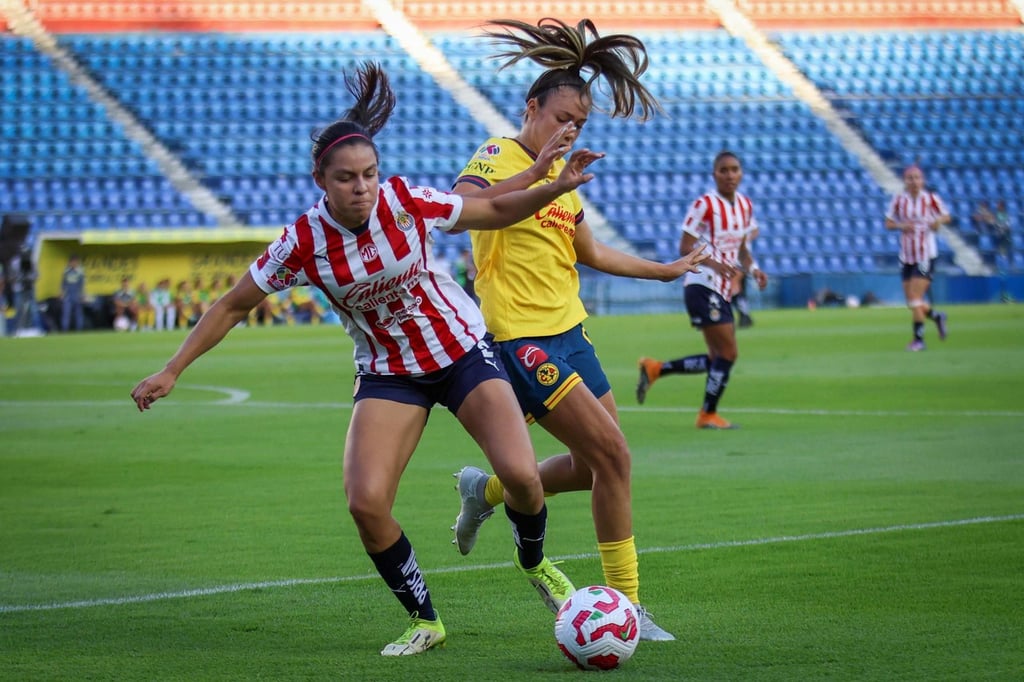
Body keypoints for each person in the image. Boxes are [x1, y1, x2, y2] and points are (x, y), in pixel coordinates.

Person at [130, 62, 604, 657]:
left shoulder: (405, 200)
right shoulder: (300, 243)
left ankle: (535, 565)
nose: (363, 187)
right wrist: (173, 369)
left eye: (370, 174)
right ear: (321, 181)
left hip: (460, 350)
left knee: (523, 477)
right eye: (348, 178)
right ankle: (425, 619)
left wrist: (549, 182)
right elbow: (231, 304)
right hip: (389, 372)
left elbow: (490, 211)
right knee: (366, 502)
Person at [447, 18, 708, 643]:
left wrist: (663, 271)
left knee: (596, 469)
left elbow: (588, 250)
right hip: (520, 338)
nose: (569, 131)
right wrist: (540, 173)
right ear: (531, 106)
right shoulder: (498, 155)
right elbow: (464, 207)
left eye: (580, 125)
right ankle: (627, 609)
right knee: (616, 454)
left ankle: (487, 490)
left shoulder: (563, 178)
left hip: (571, 332)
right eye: (562, 117)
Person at [637, 151, 769, 429]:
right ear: (715, 174)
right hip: (701, 285)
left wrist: (754, 269)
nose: (730, 175)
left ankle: (656, 369)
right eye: (724, 170)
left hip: (721, 290)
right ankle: (707, 414)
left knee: (716, 358)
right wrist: (714, 264)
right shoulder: (705, 204)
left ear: (741, 173)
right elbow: (685, 247)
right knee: (729, 353)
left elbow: (742, 249)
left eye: (735, 169)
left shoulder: (745, 205)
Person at [884, 164, 950, 351]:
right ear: (905, 181)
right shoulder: (898, 200)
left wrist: (937, 221)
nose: (914, 181)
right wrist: (901, 226)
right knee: (912, 302)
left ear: (923, 180)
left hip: (925, 256)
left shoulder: (930, 199)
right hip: (906, 256)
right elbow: (888, 223)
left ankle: (919, 340)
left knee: (915, 297)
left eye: (917, 178)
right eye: (910, 178)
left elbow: (946, 216)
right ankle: (937, 316)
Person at [60, 253, 86, 332]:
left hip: (77, 295)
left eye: (76, 262)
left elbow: (82, 285)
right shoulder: (66, 272)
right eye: (73, 262)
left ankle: (79, 330)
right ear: (70, 262)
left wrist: (83, 295)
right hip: (68, 295)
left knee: (78, 314)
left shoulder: (80, 272)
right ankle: (64, 330)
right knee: (66, 313)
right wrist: (61, 293)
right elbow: (63, 284)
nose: (74, 263)